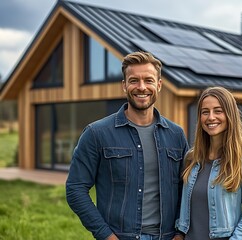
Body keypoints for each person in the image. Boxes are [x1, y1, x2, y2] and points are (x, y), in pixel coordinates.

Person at [66, 51, 189, 240]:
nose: (141, 87)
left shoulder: (176, 135)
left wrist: (180, 233)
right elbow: (75, 189)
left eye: (148, 80)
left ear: (159, 85)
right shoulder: (96, 133)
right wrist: (105, 235)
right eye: (134, 80)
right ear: (124, 85)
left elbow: (186, 189)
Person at [176, 86, 242, 240]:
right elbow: (184, 205)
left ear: (230, 115)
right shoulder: (192, 158)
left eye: (218, 111)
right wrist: (179, 232)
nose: (211, 117)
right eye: (205, 112)